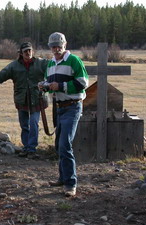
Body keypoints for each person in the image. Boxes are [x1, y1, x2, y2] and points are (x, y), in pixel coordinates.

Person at [0, 42, 48, 159]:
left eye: (30, 50)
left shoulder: (41, 63)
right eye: (25, 51)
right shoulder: (14, 66)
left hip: (37, 99)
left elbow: (55, 68)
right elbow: (0, 76)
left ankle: (32, 149)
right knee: (24, 125)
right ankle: (26, 148)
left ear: (33, 51)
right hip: (21, 99)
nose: (28, 53)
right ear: (21, 53)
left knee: (34, 123)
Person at [42, 32, 89, 197]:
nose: (56, 49)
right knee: (59, 145)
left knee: (65, 144)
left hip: (72, 106)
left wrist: (59, 86)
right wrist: (45, 86)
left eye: (58, 46)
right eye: (53, 46)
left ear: (65, 45)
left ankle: (71, 184)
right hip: (59, 107)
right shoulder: (50, 64)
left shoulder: (74, 61)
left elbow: (83, 83)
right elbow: (49, 84)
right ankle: (62, 178)